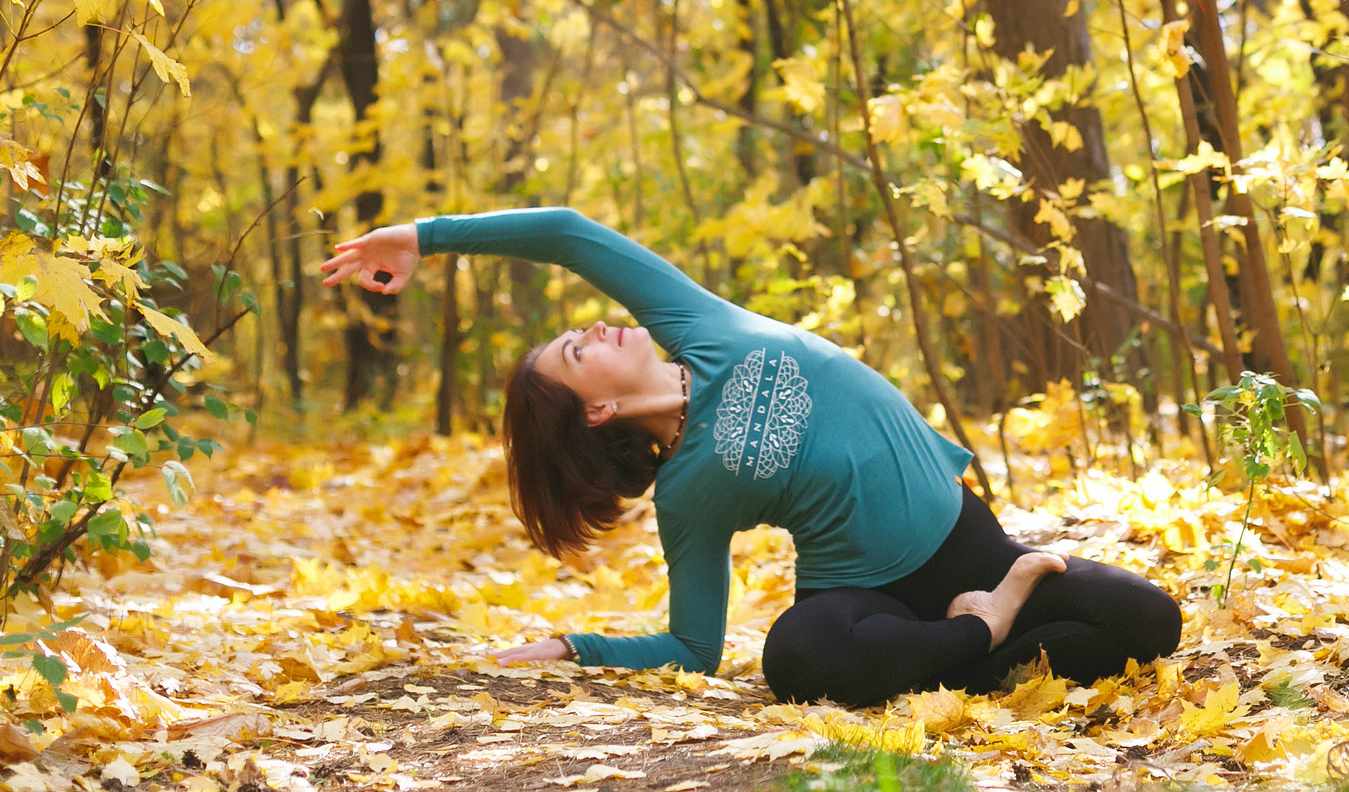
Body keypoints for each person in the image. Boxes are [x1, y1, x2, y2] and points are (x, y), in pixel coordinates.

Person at [319, 207, 1181, 705]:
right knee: (794, 658)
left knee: (1149, 618)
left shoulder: (692, 323)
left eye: (579, 329)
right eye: (578, 350)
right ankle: (981, 630)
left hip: (972, 546)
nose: (597, 325)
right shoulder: (687, 493)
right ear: (599, 410)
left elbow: (568, 234)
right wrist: (576, 645)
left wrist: (424, 237)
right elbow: (693, 645)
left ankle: (959, 648)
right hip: (873, 599)